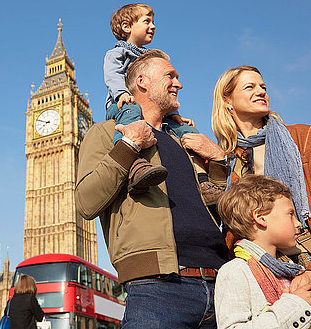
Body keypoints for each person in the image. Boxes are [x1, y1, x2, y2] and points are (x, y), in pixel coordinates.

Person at [76, 49, 230, 328]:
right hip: (158, 289)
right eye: (170, 76)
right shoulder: (106, 133)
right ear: (142, 82)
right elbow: (86, 202)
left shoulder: (186, 141)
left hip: (220, 286)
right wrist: (129, 145)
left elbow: (216, 210)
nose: (179, 83)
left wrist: (218, 162)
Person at [198, 65, 311, 296]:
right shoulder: (224, 160)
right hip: (263, 276)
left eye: (263, 87)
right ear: (227, 100)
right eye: (250, 87)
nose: (261, 91)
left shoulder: (304, 138)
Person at [215, 174, 311, 329]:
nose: (299, 223)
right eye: (290, 214)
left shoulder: (293, 270)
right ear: (260, 217)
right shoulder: (235, 272)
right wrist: (297, 305)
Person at [103, 3, 212, 195]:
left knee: (186, 130)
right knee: (131, 115)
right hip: (122, 104)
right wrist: (121, 94)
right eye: (147, 21)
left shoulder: (151, 57)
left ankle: (203, 179)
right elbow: (112, 75)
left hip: (150, 108)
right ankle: (134, 162)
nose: (153, 26)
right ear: (127, 27)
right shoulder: (117, 53)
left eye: (153, 22)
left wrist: (174, 113)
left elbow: (162, 91)